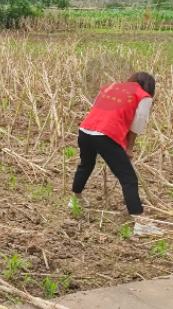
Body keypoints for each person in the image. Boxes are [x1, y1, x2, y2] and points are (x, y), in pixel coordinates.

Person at [69, 72, 162, 236]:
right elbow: (138, 123)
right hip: (106, 135)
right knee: (129, 179)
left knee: (86, 165)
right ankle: (141, 223)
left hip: (85, 130)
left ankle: (76, 200)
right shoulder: (144, 96)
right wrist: (129, 148)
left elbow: (99, 110)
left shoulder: (109, 87)